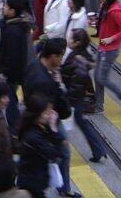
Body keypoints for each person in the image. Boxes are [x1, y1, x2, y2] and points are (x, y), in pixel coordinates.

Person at [23, 39, 79, 198]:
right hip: (47, 120)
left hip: (39, 116)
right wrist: (58, 85)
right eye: (61, 56)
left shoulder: (33, 65)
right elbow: (61, 107)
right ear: (53, 56)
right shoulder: (44, 81)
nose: (62, 60)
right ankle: (61, 186)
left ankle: (63, 186)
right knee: (61, 152)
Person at [61, 29, 107, 163]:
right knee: (82, 123)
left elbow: (77, 84)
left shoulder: (78, 59)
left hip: (75, 98)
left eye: (71, 38)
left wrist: (68, 99)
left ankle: (99, 151)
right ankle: (99, 151)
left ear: (77, 43)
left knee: (81, 122)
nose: (68, 40)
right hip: (76, 97)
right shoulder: (78, 55)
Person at [16, 94, 64, 198]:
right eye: (47, 112)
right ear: (37, 114)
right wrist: (54, 128)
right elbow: (54, 153)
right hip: (32, 182)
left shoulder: (38, 126)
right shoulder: (33, 136)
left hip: (34, 178)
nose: (50, 115)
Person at [0, 0, 31, 132]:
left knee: (10, 100)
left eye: (6, 6)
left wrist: (4, 73)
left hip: (12, 73)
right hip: (17, 72)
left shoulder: (12, 31)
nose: (3, 8)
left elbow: (11, 56)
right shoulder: (17, 25)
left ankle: (14, 129)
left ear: (12, 11)